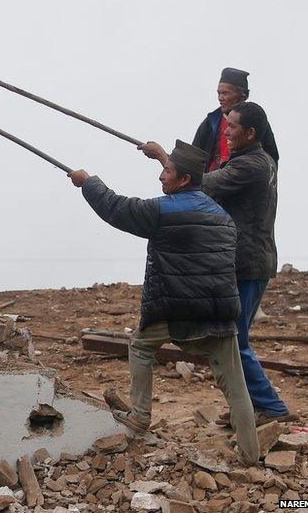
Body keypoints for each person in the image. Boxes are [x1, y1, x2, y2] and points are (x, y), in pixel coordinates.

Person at [68, 142, 259, 465]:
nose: (161, 177)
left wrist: (88, 183)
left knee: (141, 345)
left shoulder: (163, 211)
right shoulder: (223, 217)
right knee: (236, 387)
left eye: (167, 172)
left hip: (177, 310)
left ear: (183, 179)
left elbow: (118, 208)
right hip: (221, 313)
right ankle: (251, 454)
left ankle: (140, 416)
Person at [142, 101, 293, 425]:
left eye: (233, 127)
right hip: (252, 259)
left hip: (247, 263)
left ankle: (271, 407)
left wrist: (164, 159)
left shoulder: (250, 165)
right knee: (233, 338)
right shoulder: (259, 160)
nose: (225, 132)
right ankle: (251, 406)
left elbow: (203, 185)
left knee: (234, 339)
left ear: (250, 133)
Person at [193, 67, 279, 171]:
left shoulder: (257, 122)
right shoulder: (211, 122)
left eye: (225, 93)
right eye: (219, 93)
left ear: (242, 95)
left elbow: (271, 159)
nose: (220, 98)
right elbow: (194, 156)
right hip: (211, 182)